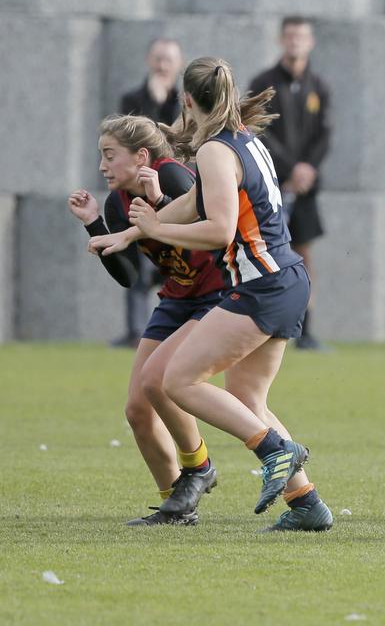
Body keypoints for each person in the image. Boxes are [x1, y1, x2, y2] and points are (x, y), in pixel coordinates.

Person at [89, 57, 333, 532]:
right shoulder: (246, 140)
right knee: (247, 399)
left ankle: (274, 451)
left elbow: (220, 229)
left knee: (176, 381)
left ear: (186, 101)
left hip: (262, 285)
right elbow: (194, 203)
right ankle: (307, 504)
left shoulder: (216, 151)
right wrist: (136, 234)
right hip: (283, 279)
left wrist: (158, 227)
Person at [68, 114, 224, 526]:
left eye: (109, 155)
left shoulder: (172, 176)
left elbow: (212, 225)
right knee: (138, 409)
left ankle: (200, 467)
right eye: (100, 156)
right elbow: (131, 277)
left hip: (219, 296)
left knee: (158, 381)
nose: (102, 166)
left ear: (140, 156)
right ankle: (177, 505)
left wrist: (158, 206)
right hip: (177, 299)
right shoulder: (118, 201)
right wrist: (94, 225)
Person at [249, 16, 331, 351]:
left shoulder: (319, 86)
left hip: (306, 187)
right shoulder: (264, 83)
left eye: (302, 36)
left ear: (310, 42)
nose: (296, 42)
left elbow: (325, 134)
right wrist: (290, 168)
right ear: (282, 40)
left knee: (303, 255)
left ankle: (305, 329)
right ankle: (264, 324)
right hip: (272, 184)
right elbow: (259, 130)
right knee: (266, 253)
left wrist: (308, 168)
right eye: (290, 36)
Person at [112, 38, 185, 348]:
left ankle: (170, 328)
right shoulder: (133, 98)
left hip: (169, 186)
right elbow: (135, 142)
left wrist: (163, 103)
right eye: (158, 58)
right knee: (137, 265)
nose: (162, 65)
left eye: (169, 59)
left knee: (173, 262)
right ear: (148, 60)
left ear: (178, 65)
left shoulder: (183, 102)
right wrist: (151, 103)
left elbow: (175, 143)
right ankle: (135, 331)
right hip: (137, 187)